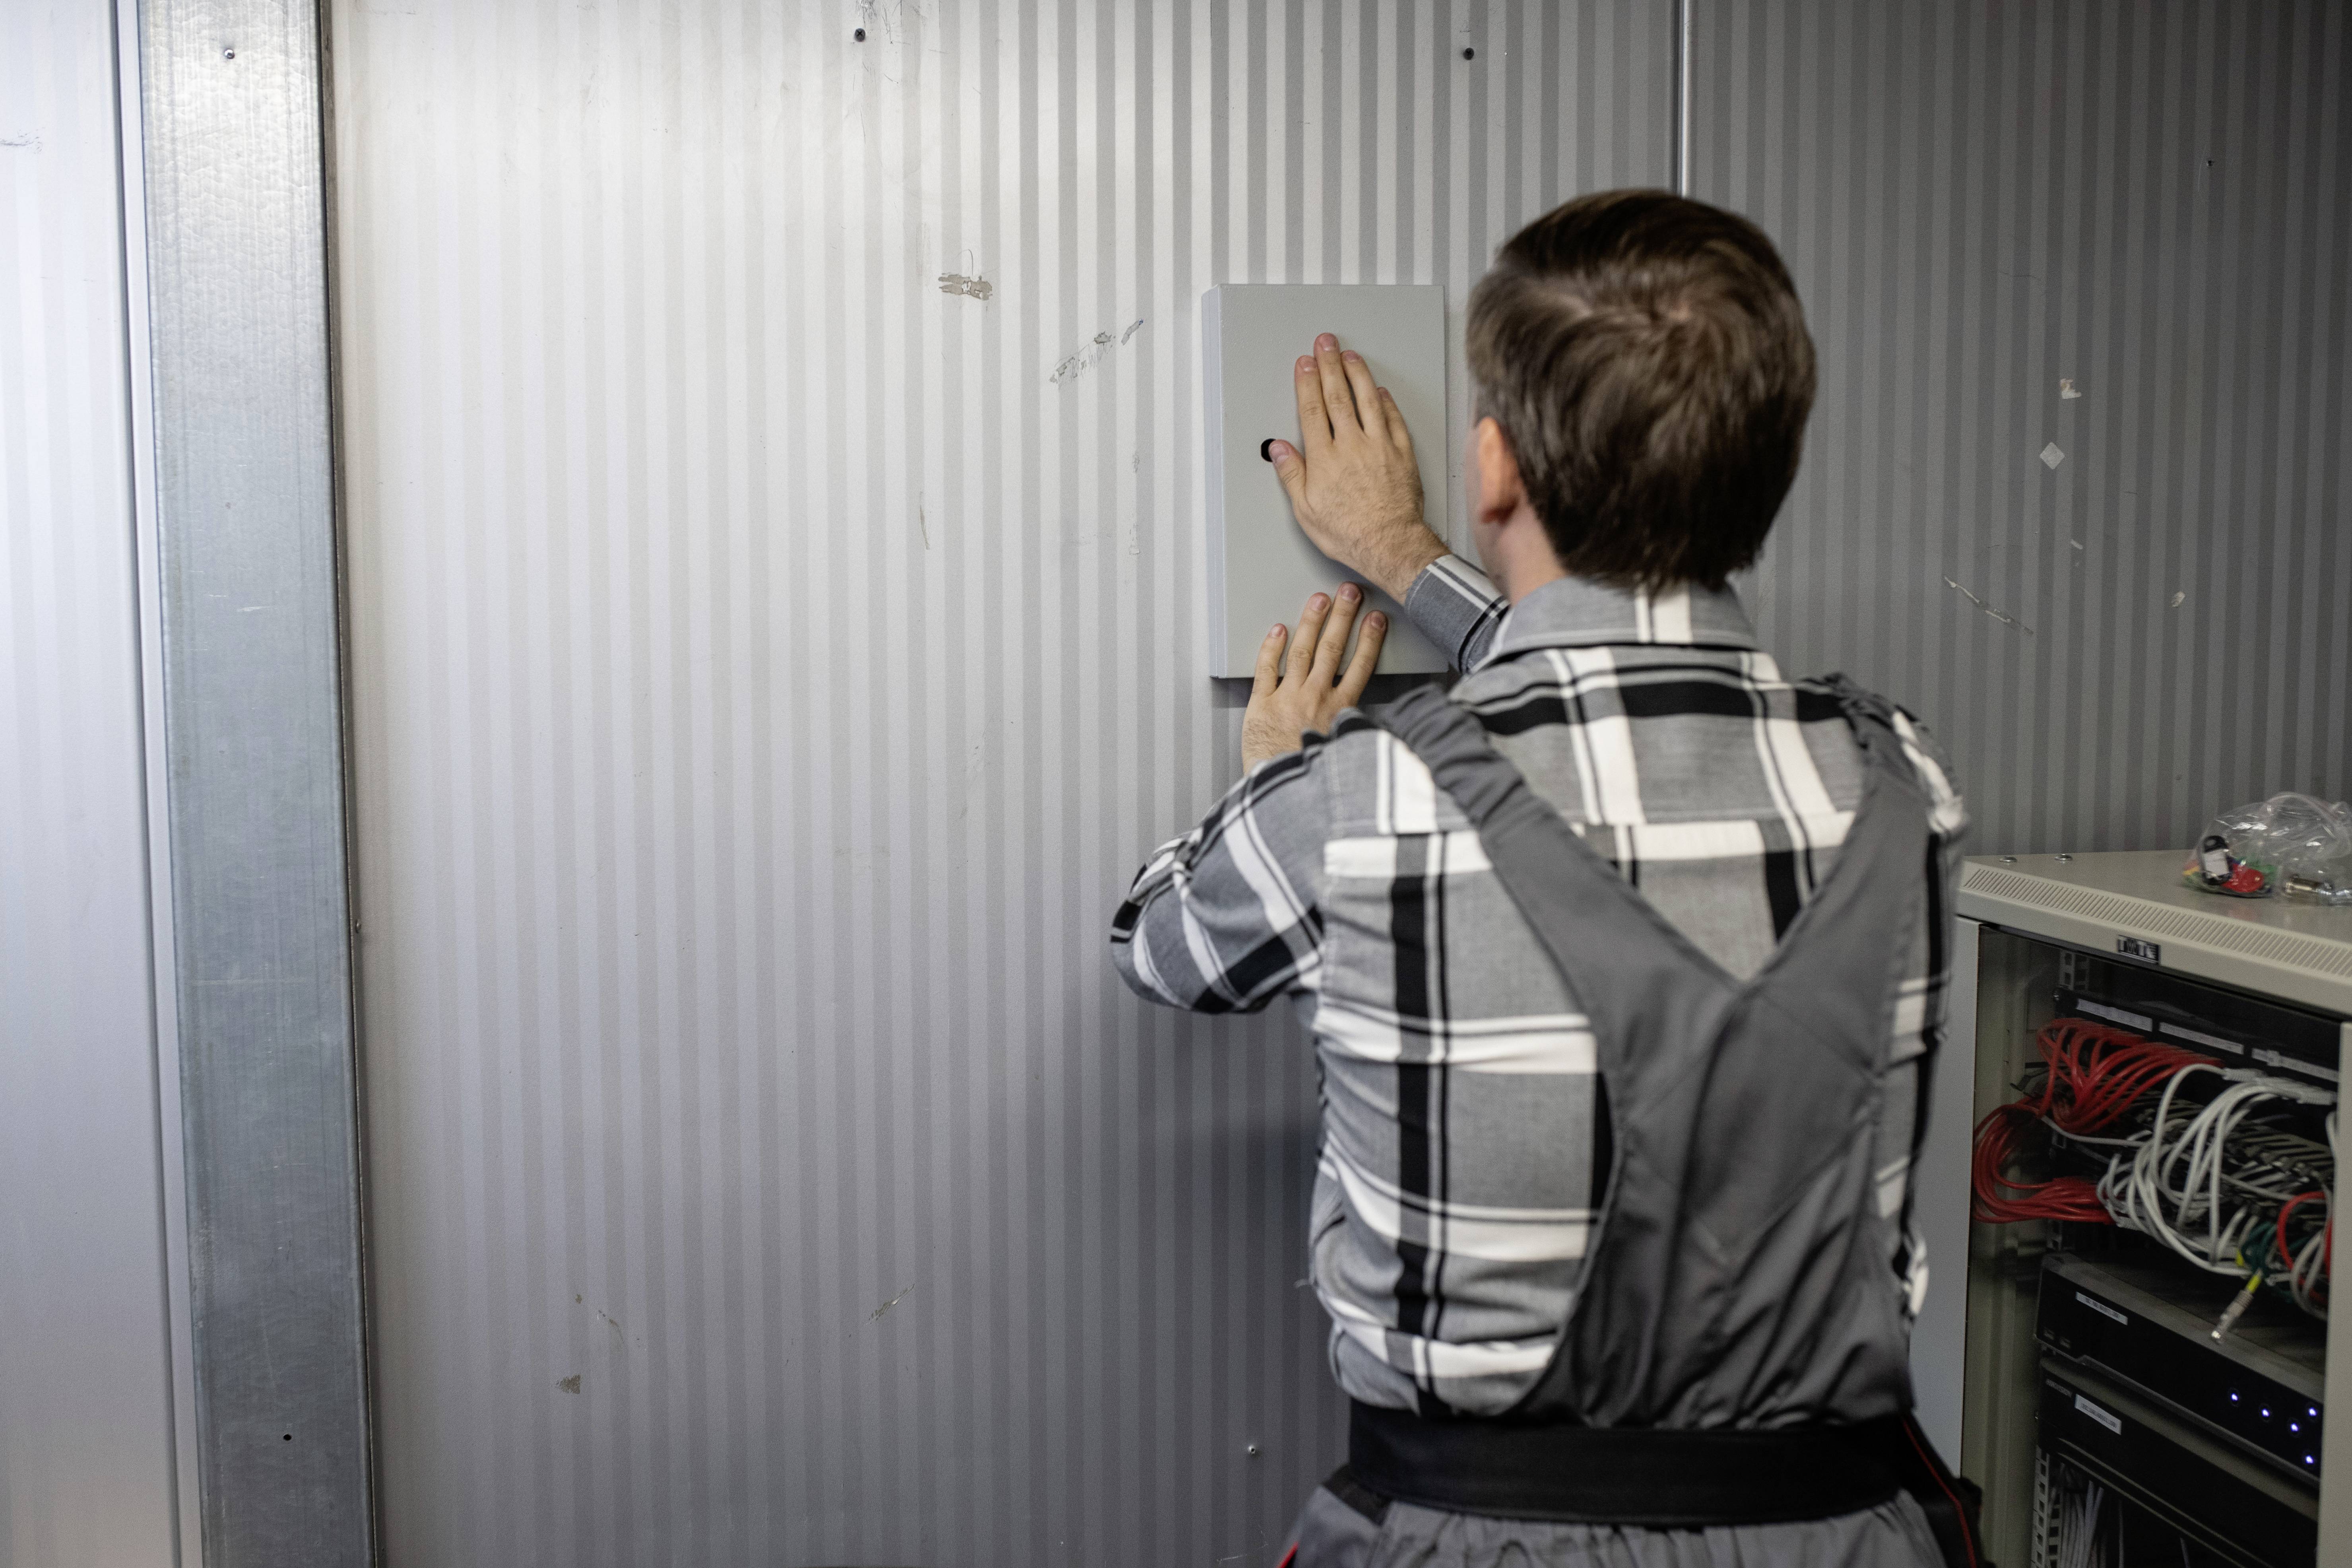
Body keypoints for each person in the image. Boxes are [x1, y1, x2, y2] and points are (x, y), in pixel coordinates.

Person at [1110, 190, 1976, 1567]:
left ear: (1494, 464)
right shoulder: (1901, 788)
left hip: (1474, 1539)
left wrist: (1272, 772)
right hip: (1845, 1534)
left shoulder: (1355, 805)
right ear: (1768, 472)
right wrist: (1409, 564)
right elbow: (1624, 718)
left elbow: (1159, 947)